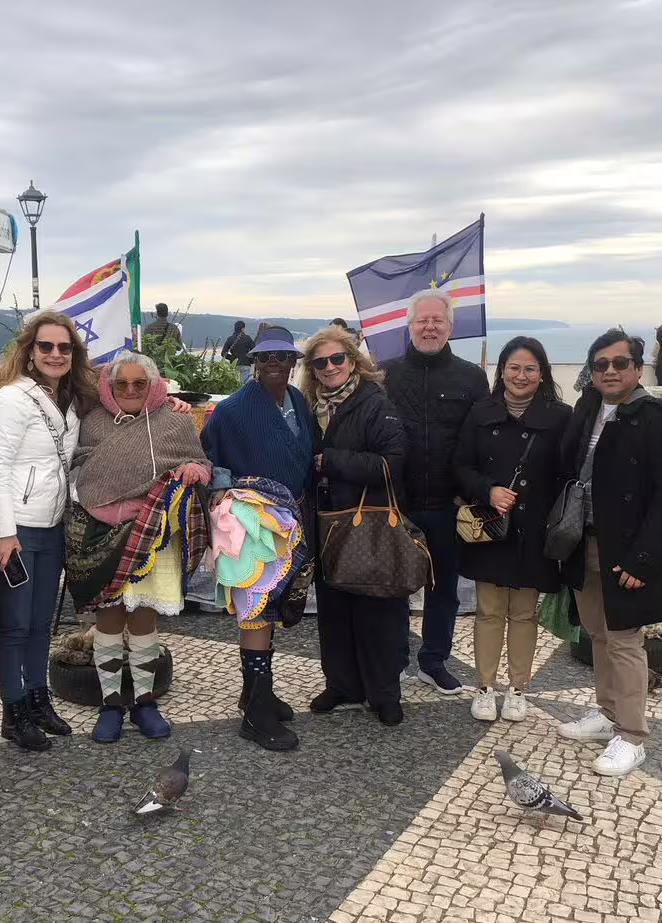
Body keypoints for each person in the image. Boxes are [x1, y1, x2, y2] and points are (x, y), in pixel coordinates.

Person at [557, 328, 662, 777]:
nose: (609, 371)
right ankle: (608, 712)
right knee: (596, 633)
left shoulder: (659, 417)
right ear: (590, 371)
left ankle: (632, 736)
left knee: (625, 639)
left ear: (637, 367)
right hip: (585, 541)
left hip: (625, 549)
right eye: (600, 364)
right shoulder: (587, 407)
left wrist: (644, 560)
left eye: (619, 363)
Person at [67, 352, 213, 743]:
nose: (130, 390)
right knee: (109, 619)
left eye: (139, 384)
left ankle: (145, 702)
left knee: (145, 621)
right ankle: (111, 705)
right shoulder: (92, 420)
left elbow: (200, 461)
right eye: (121, 384)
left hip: (153, 533)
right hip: (100, 531)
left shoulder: (176, 419)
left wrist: (194, 471)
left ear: (153, 385)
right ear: (108, 385)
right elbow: (79, 463)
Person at [201, 325, 315, 751]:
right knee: (255, 605)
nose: (273, 364)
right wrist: (228, 489)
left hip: (288, 518)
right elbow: (209, 457)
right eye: (265, 357)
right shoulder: (231, 410)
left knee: (270, 606)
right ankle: (255, 714)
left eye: (283, 357)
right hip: (250, 521)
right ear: (253, 362)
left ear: (293, 363)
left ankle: (255, 692)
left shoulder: (298, 401)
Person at [0, 310, 93, 752]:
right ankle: (13, 711)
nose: (54, 353)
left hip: (52, 527)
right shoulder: (12, 399)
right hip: (20, 529)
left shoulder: (69, 399)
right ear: (29, 352)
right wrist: (4, 533)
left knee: (41, 625)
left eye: (64, 347)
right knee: (14, 626)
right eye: (46, 346)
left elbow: (127, 393)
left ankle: (38, 698)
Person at [453, 337, 571, 723]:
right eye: (514, 367)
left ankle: (518, 688)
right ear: (501, 370)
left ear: (542, 374)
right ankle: (485, 687)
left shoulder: (560, 417)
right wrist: (487, 490)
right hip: (491, 526)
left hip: (534, 530)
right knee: (488, 611)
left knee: (523, 613)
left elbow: (567, 477)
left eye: (530, 369)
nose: (521, 376)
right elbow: (461, 467)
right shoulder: (480, 412)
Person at [299, 326, 408, 725]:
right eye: (320, 362)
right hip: (327, 522)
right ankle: (343, 684)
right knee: (333, 608)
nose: (329, 367)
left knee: (376, 608)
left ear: (353, 360)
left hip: (369, 523)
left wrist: (332, 460)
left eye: (336, 359)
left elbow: (391, 465)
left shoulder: (375, 403)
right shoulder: (312, 407)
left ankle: (384, 693)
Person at [383, 289, 489, 693]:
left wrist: (472, 492)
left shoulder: (471, 377)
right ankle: (393, 661)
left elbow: (482, 440)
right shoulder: (385, 374)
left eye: (437, 321)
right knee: (394, 588)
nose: (429, 327)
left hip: (448, 502)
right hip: (399, 503)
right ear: (409, 326)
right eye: (422, 321)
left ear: (450, 326)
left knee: (443, 589)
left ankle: (434, 660)